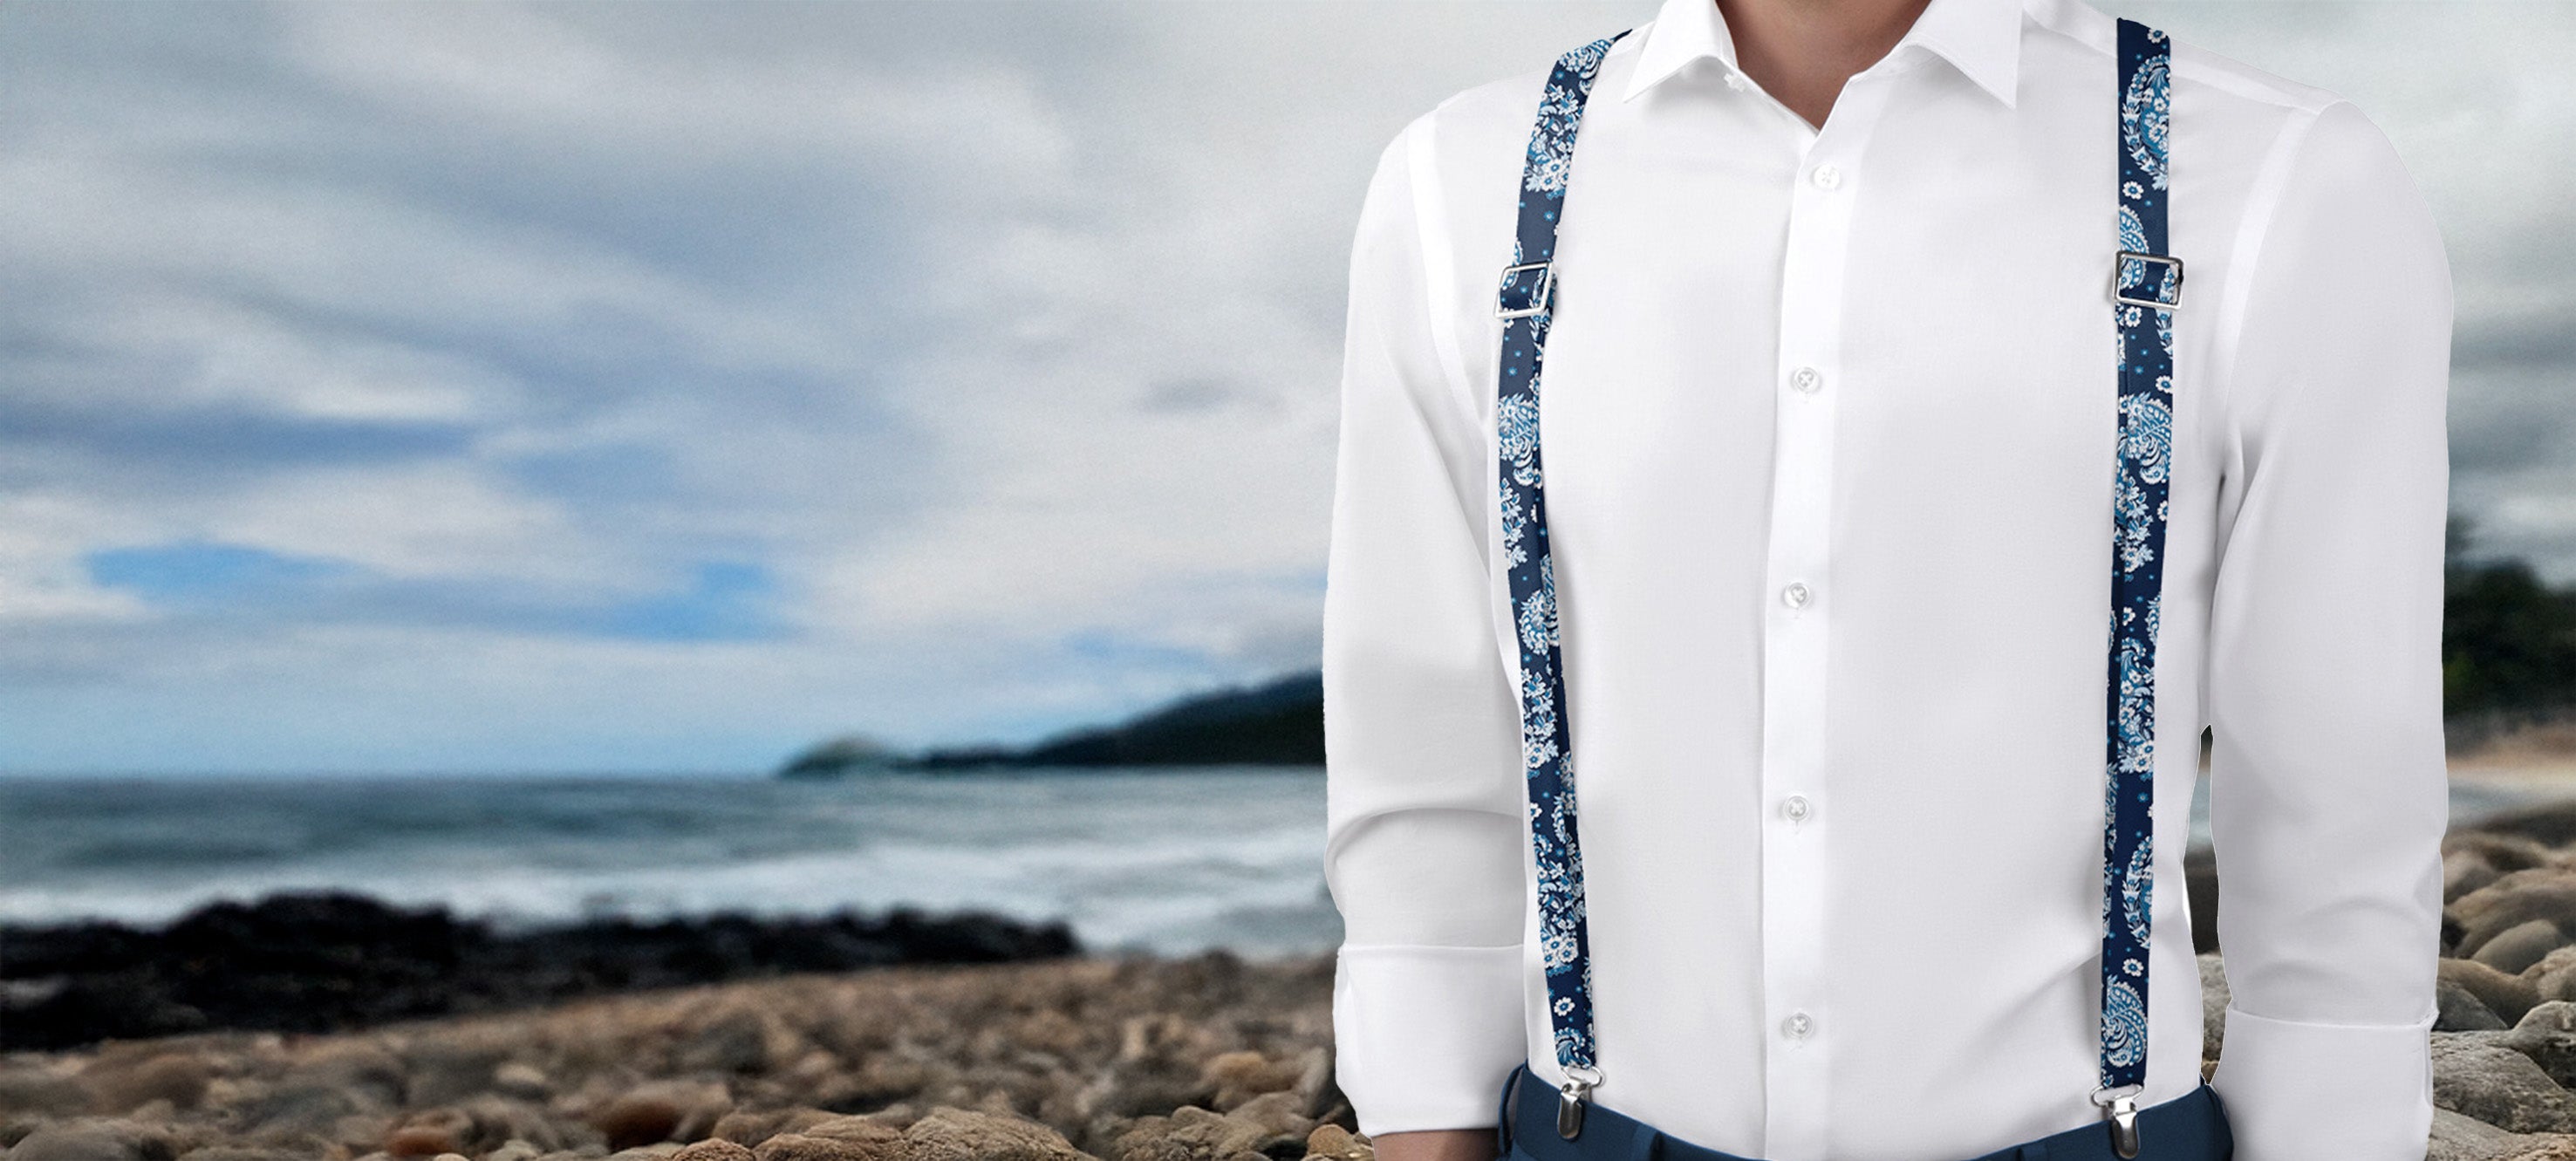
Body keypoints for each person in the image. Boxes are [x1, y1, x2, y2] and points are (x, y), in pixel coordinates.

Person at [1317, 0, 2452, 1157]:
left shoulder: (2282, 178)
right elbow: (1422, 716)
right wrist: (1422, 1111)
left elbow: (2336, 777)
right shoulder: (1464, 181)